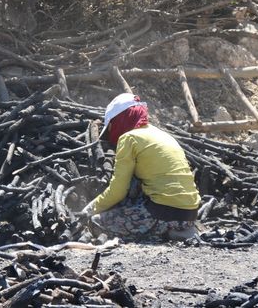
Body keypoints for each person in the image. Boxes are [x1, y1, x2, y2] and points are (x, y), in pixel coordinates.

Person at [81, 93, 201, 241]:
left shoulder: (129, 138)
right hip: (190, 215)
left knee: (96, 221)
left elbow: (118, 191)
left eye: (111, 127)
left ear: (119, 120)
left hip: (162, 214)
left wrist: (89, 210)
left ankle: (163, 231)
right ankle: (178, 230)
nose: (111, 134)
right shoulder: (162, 135)